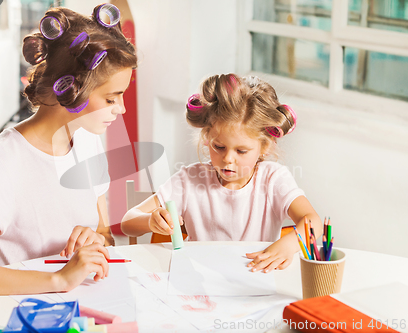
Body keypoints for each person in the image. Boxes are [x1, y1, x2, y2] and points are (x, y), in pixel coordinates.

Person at [0, 4, 137, 295]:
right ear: (72, 89)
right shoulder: (2, 160)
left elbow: (105, 235)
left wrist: (96, 240)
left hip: (78, 307)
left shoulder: (87, 142)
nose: (120, 109)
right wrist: (59, 280)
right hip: (17, 313)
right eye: (111, 98)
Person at [121, 73, 322, 273]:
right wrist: (150, 221)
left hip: (254, 281)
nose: (228, 159)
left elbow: (314, 222)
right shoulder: (190, 179)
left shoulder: (273, 179)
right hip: (199, 283)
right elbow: (128, 222)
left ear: (265, 147)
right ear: (207, 137)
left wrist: (289, 244)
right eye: (219, 147)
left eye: (241, 151)